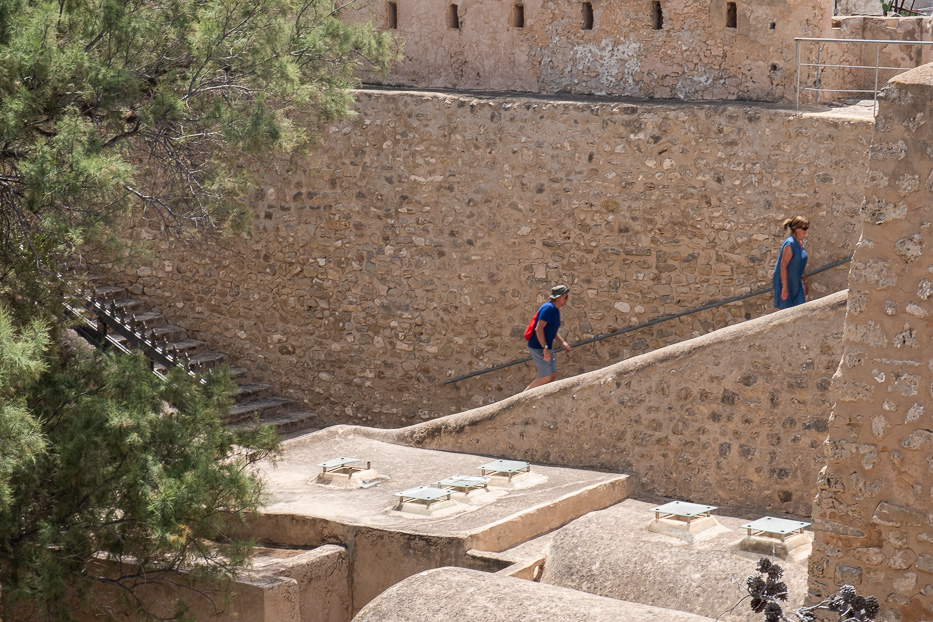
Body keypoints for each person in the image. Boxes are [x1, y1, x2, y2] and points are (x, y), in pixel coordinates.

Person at [524, 284, 573, 391]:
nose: (567, 300)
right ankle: (523, 396)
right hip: (538, 347)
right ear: (559, 297)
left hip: (546, 346)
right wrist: (544, 348)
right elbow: (539, 328)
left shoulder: (556, 310)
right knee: (546, 376)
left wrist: (563, 343)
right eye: (566, 297)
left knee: (552, 374)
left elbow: (552, 331)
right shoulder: (548, 308)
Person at [772, 216, 809, 309]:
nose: (806, 231)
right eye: (804, 228)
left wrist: (805, 281)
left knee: (800, 309)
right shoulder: (790, 244)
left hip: (796, 281)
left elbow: (801, 263)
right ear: (796, 229)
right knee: (786, 312)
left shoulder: (800, 242)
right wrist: (785, 287)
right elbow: (783, 265)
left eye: (807, 228)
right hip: (786, 282)